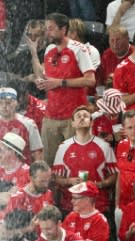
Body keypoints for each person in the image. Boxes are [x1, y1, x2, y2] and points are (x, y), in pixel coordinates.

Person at [31, 13, 97, 164]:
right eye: (47, 29)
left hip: (73, 117)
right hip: (51, 116)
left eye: (51, 29)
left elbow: (90, 80)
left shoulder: (78, 49)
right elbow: (46, 77)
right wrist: (34, 54)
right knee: (49, 163)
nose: (47, 32)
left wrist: (60, 83)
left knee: (76, 162)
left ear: (63, 29)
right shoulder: (49, 50)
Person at [52, 106, 117, 214]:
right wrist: (69, 181)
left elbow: (114, 175)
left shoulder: (104, 146)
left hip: (98, 206)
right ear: (72, 123)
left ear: (91, 123)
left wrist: (99, 184)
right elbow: (57, 178)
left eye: (85, 116)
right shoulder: (63, 147)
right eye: (78, 116)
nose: (82, 118)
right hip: (71, 206)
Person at [0, 87, 43, 165]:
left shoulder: (28, 124)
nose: (4, 106)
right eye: (0, 103)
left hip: (22, 172)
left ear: (16, 103)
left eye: (8, 103)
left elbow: (37, 153)